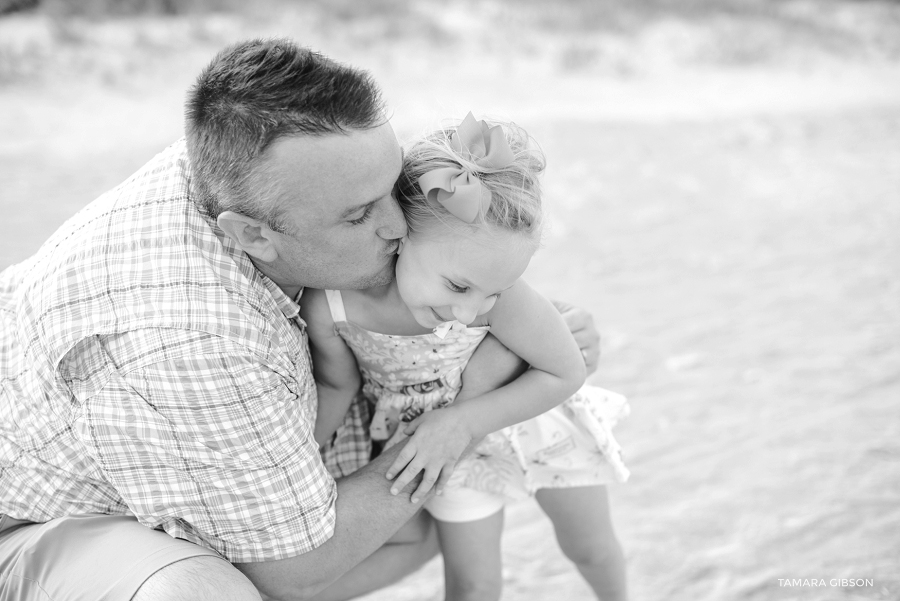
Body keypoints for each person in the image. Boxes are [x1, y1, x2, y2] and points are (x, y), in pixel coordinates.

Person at [0, 38, 601, 601]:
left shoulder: (259, 158)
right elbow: (297, 570)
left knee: (408, 538)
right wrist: (462, 411)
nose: (397, 226)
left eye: (391, 184)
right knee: (207, 592)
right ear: (253, 236)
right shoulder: (192, 339)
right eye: (361, 213)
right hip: (28, 522)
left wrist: (514, 323)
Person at [303, 114, 629, 601]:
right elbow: (337, 386)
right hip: (439, 448)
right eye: (458, 286)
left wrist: (462, 421)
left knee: (591, 549)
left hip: (525, 417)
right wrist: (301, 467)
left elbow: (564, 369)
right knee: (473, 584)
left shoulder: (502, 296)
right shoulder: (332, 304)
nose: (470, 311)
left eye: (493, 293)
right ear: (399, 231)